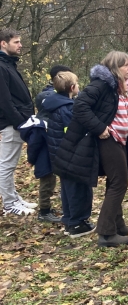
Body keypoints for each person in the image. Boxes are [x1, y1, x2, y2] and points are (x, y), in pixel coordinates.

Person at [54, 52, 128, 246]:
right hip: (107, 139)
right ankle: (106, 233)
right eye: (125, 65)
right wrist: (100, 128)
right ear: (115, 67)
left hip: (120, 139)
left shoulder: (118, 85)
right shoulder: (101, 85)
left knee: (115, 181)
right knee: (119, 182)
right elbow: (80, 107)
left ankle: (117, 225)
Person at [0, 29, 36, 216]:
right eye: (16, 42)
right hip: (11, 123)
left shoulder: (8, 64)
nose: (20, 45)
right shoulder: (1, 66)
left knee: (10, 164)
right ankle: (9, 204)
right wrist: (19, 122)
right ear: (3, 43)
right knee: (6, 165)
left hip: (17, 122)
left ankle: (14, 198)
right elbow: (5, 101)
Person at [39, 72, 80, 227]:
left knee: (65, 186)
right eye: (77, 83)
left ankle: (69, 217)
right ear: (72, 88)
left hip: (58, 154)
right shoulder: (67, 108)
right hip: (68, 154)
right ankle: (75, 221)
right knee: (73, 188)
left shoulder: (54, 105)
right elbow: (71, 132)